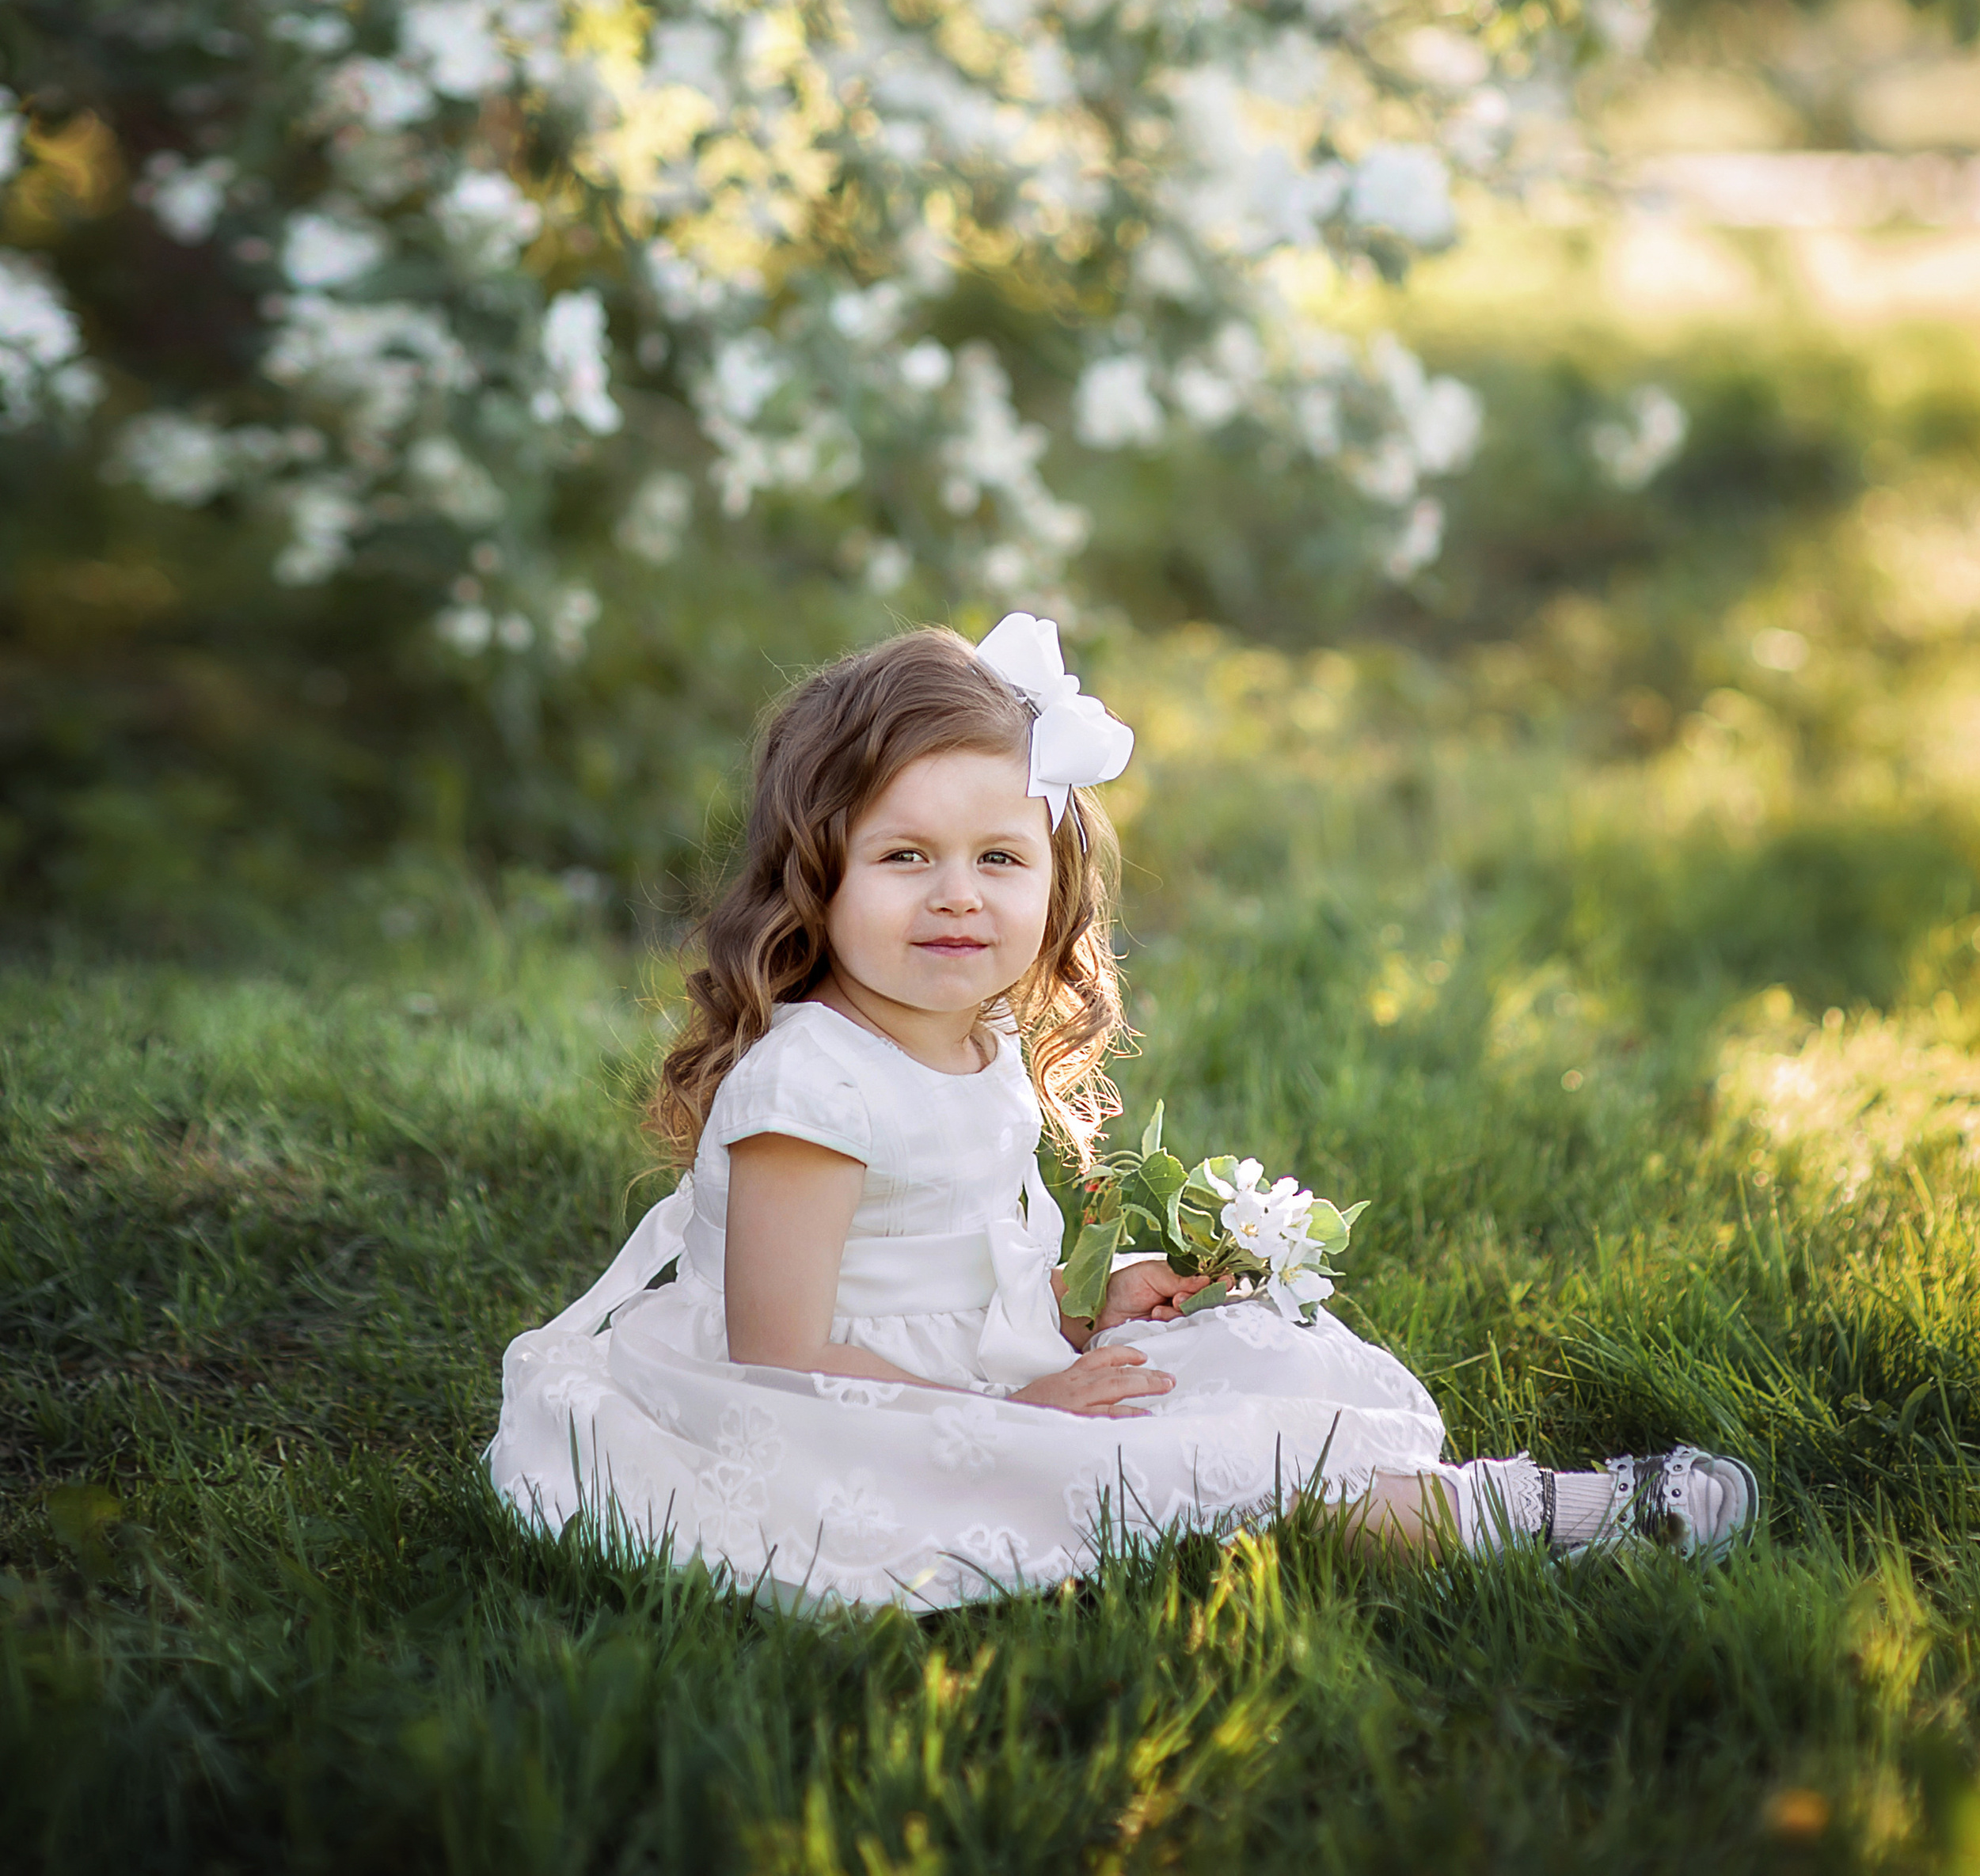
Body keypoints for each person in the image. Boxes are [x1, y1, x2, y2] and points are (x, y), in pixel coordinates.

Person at [487, 617, 1757, 1606]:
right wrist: (1012, 1419)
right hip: (836, 1426)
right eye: (905, 856)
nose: (957, 895)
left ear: (1055, 881)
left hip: (958, 1377)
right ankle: (1542, 1517)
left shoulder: (974, 1039)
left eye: (999, 858)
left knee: (1240, 1357)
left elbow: (938, 1272)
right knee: (1213, 1472)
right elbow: (782, 1352)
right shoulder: (811, 1087)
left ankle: (1466, 1503)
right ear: (817, 874)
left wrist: (1079, 1308)